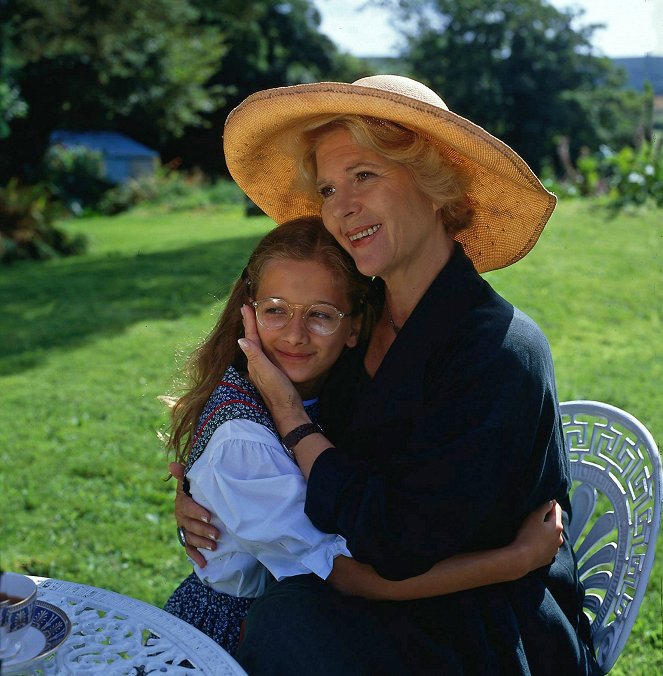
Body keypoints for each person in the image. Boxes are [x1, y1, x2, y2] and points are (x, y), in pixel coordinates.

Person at [176, 75, 600, 674]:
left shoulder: (498, 350)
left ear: (433, 185)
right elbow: (254, 443)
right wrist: (201, 489)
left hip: (482, 630)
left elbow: (394, 543)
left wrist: (293, 421)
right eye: (327, 187)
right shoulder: (356, 320)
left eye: (363, 176)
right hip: (381, 605)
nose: (341, 207)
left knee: (286, 621)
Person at [164, 216, 563, 657]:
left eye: (321, 315)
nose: (295, 335)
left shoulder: (333, 385)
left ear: (354, 329)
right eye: (275, 308)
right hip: (237, 635)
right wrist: (517, 560)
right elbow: (350, 574)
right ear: (248, 312)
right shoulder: (244, 440)